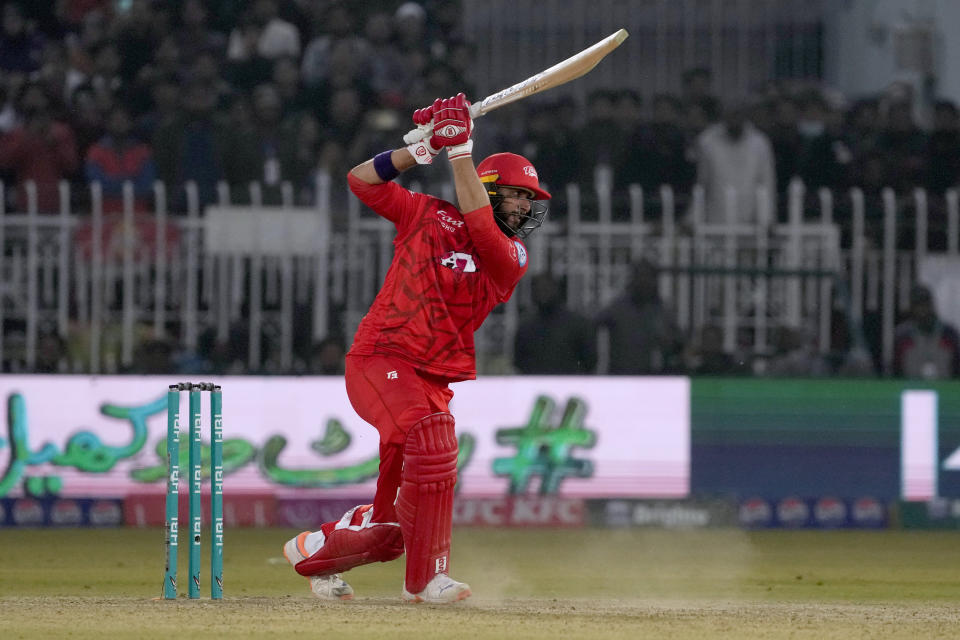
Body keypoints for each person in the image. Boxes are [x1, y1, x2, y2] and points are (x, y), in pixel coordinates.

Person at [281, 93, 549, 603]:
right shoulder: (426, 214)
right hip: (381, 358)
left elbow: (480, 229)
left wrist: (460, 148)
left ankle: (314, 548)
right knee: (435, 438)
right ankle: (426, 582)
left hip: (431, 378)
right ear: (489, 188)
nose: (523, 207)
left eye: (528, 200)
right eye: (515, 195)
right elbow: (361, 180)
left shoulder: (511, 256)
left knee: (393, 533)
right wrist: (418, 151)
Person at [893, 285, 960, 379]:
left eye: (925, 304)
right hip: (911, 390)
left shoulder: (949, 334)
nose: (922, 309)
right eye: (918, 305)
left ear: (932, 305)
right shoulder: (902, 336)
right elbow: (895, 371)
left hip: (945, 389)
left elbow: (957, 368)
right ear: (912, 308)